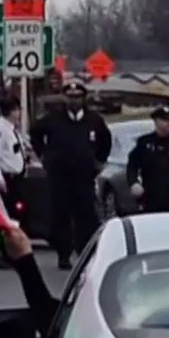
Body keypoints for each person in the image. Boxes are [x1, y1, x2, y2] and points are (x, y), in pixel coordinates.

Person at [30, 80, 111, 269]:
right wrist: (44, 156)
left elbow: (105, 141)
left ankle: (84, 252)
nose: (73, 101)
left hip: (84, 176)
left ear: (84, 98)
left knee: (86, 216)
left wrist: (98, 161)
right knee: (60, 216)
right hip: (59, 176)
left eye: (77, 97)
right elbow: (35, 133)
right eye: (70, 97)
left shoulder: (94, 120)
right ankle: (63, 254)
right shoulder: (54, 119)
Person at [0, 96, 28, 223]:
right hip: (8, 180)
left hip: (18, 178)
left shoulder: (11, 128)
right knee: (11, 215)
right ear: (9, 111)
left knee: (20, 214)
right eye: (16, 110)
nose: (19, 114)